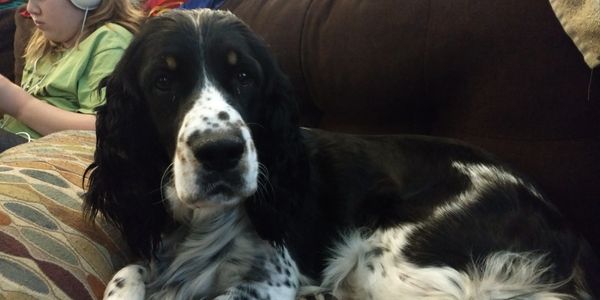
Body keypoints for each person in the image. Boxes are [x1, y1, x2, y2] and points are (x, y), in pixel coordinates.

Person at [0, 0, 143, 152]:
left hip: (50, 153)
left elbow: (106, 130)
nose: (30, 8)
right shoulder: (45, 41)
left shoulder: (110, 40)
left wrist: (21, 105)